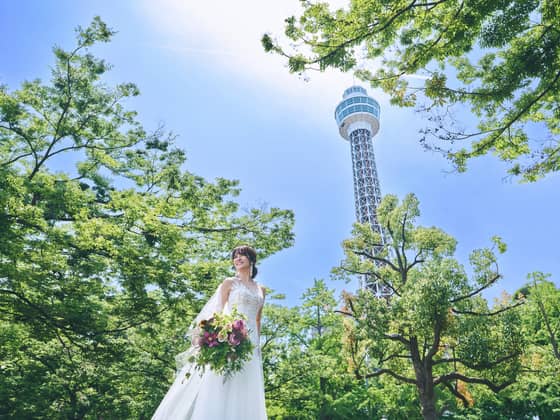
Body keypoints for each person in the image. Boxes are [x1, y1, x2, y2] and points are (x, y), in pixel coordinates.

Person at [152, 245, 267, 419]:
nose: (238, 258)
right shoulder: (229, 283)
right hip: (231, 336)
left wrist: (257, 346)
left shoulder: (261, 289)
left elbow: (258, 319)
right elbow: (218, 311)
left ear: (252, 259)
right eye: (235, 256)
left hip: (252, 343)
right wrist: (215, 333)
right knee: (221, 383)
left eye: (242, 255)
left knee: (246, 385)